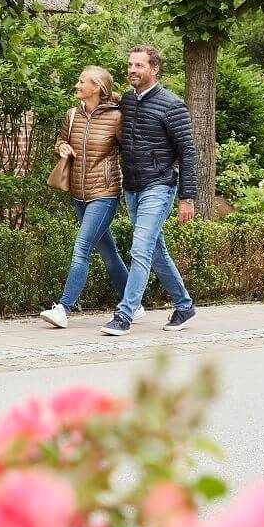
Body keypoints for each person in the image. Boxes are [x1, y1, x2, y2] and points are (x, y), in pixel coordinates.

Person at [105, 45, 197, 335]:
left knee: (140, 249)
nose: (132, 70)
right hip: (132, 187)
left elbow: (188, 152)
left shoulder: (172, 105)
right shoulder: (128, 102)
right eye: (130, 65)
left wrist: (187, 196)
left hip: (159, 185)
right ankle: (184, 306)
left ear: (154, 69)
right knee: (156, 251)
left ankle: (124, 315)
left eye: (139, 66)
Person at [39, 67, 127, 329]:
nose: (76, 85)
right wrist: (61, 147)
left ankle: (63, 308)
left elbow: (131, 150)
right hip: (78, 192)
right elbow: (61, 142)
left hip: (105, 193)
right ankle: (133, 301)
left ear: (97, 87)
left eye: (81, 81)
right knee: (108, 252)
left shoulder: (116, 118)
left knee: (82, 248)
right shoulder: (72, 115)